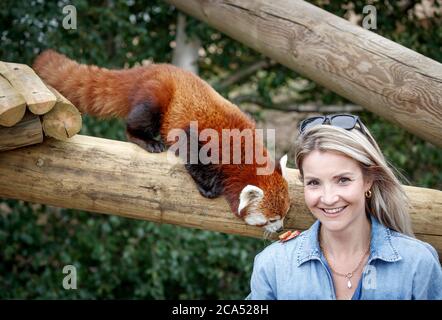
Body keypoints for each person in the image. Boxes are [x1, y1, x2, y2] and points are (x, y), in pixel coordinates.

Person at [246, 114, 442, 300]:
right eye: (314, 182)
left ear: (368, 180)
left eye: (343, 180)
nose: (329, 198)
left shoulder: (418, 263)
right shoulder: (272, 265)